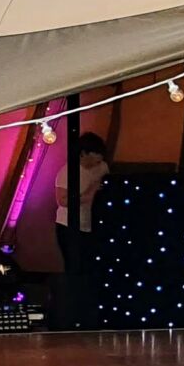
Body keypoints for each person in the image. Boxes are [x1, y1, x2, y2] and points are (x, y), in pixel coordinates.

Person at [54, 133, 110, 325]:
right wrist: (89, 192)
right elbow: (62, 201)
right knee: (74, 267)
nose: (99, 158)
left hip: (89, 225)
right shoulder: (68, 172)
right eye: (95, 153)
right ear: (83, 153)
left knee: (88, 266)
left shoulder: (101, 168)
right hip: (68, 226)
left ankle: (88, 312)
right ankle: (71, 313)